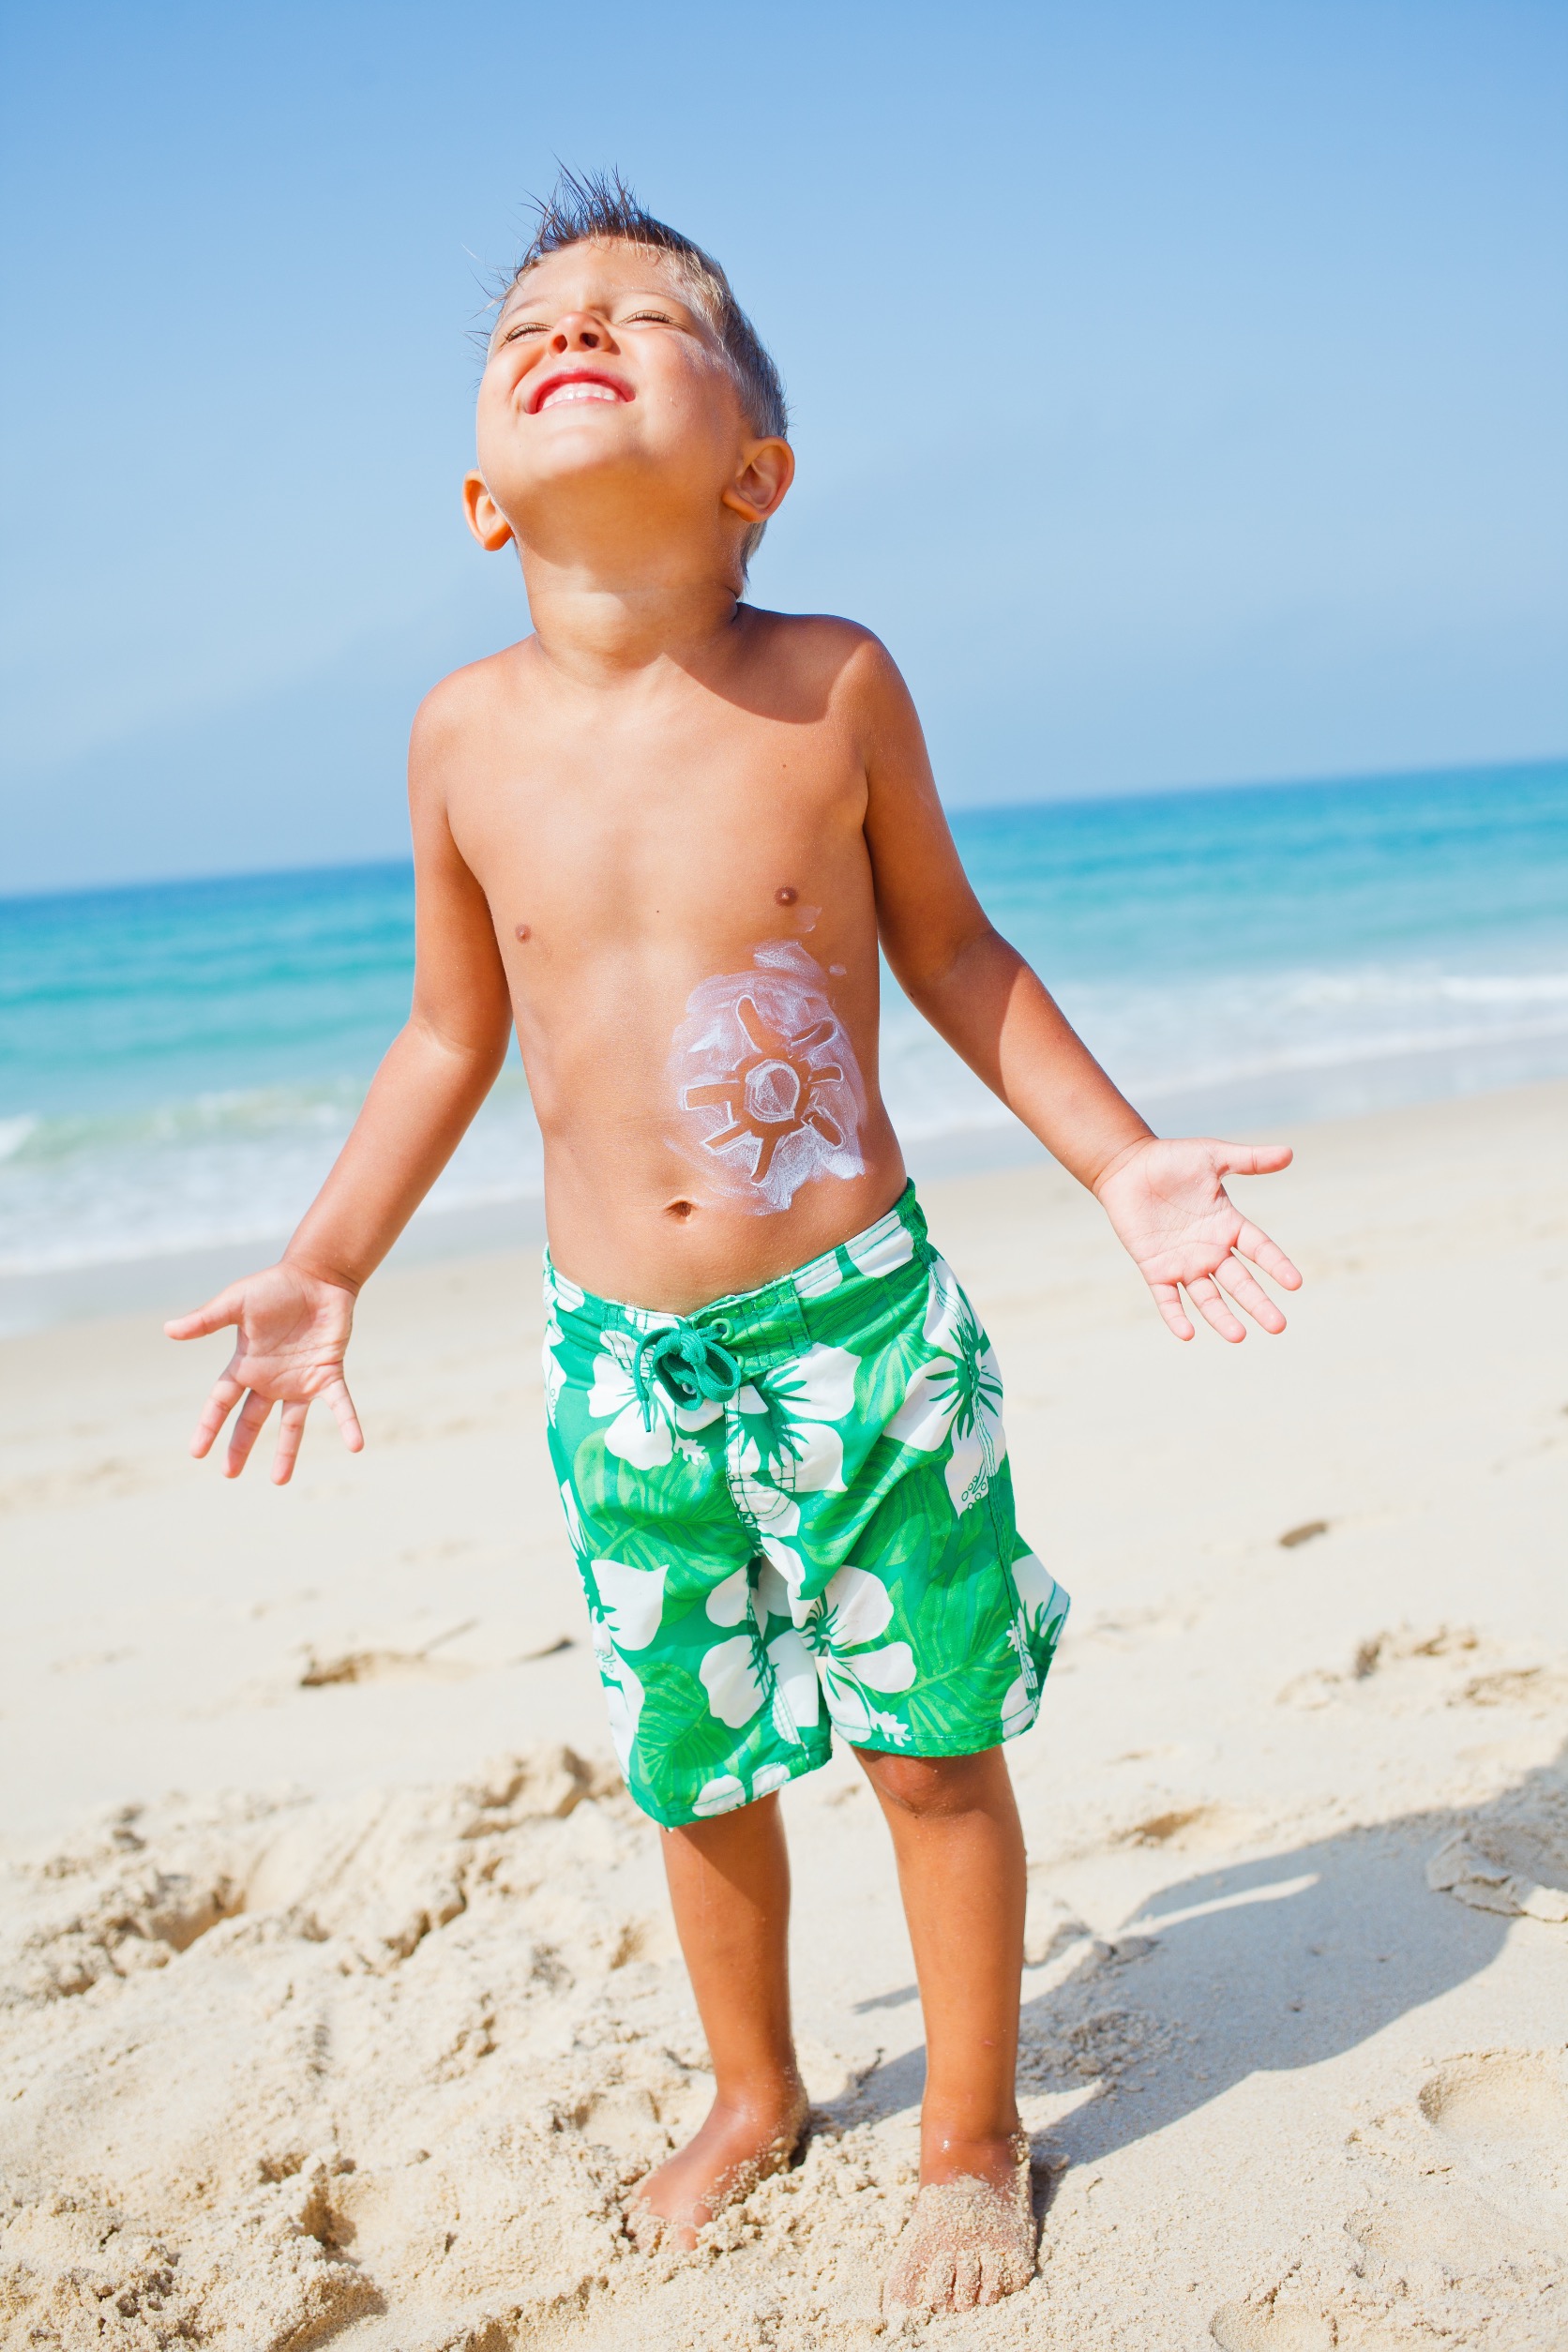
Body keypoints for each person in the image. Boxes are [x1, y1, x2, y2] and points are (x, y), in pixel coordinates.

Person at [166, 171, 1301, 2316]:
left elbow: (955, 955)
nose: (571, 325)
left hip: (854, 1327)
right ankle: (752, 2084)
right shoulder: (455, 738)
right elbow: (443, 1029)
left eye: (638, 314)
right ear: (482, 498)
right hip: (615, 1357)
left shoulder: (828, 682)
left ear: (754, 473)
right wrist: (329, 1259)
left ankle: (968, 2125)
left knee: (924, 1743)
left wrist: (1120, 1164)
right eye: (530, 323)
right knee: (692, 1758)